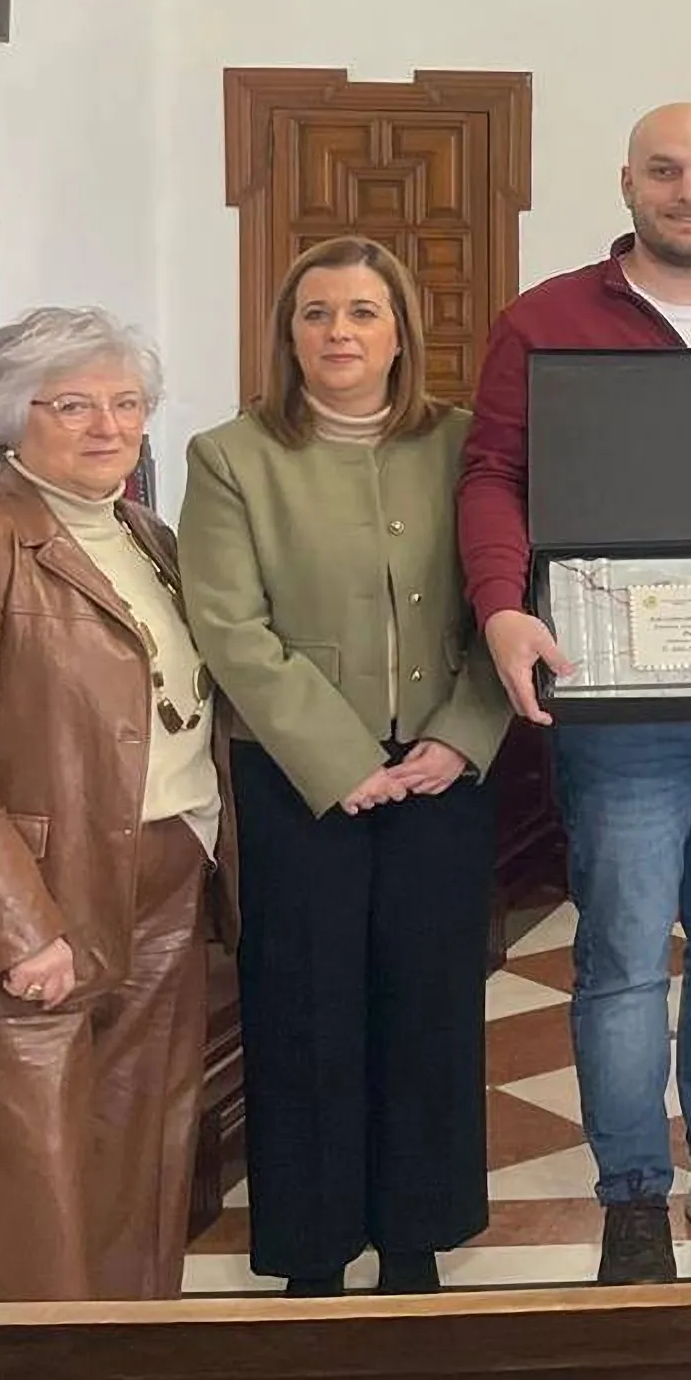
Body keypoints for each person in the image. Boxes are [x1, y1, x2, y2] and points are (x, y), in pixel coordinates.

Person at [457, 104, 691, 1285]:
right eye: (665, 171)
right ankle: (632, 1191)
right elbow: (492, 473)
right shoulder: (545, 321)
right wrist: (501, 604)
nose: (688, 191)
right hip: (618, 700)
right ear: (627, 183)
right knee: (623, 955)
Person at [180, 237, 513, 1296]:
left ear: (402, 332)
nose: (339, 333)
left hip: (440, 769)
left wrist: (462, 734)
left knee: (429, 1003)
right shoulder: (230, 456)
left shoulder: (463, 444)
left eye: (364, 312)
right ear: (287, 333)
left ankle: (417, 1236)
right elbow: (230, 629)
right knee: (306, 1008)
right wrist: (337, 759)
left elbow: (501, 599)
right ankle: (313, 1252)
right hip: (297, 776)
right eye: (316, 313)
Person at [0, 309, 231, 1300]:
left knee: (142, 1162)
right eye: (75, 406)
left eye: (127, 404)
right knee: (34, 1189)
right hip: (37, 897)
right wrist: (17, 929)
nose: (109, 427)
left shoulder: (149, 535)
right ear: (14, 418)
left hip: (166, 874)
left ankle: (128, 1375)